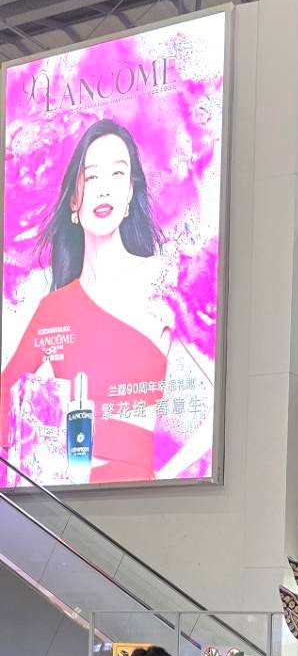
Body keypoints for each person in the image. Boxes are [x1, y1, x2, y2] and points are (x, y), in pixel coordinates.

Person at [0, 120, 171, 485]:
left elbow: (220, 398)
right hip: (68, 492)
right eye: (91, 177)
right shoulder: (54, 310)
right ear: (74, 200)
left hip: (141, 489)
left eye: (117, 174)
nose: (104, 188)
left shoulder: (161, 277)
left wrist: (169, 475)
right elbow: (5, 395)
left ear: (130, 191)